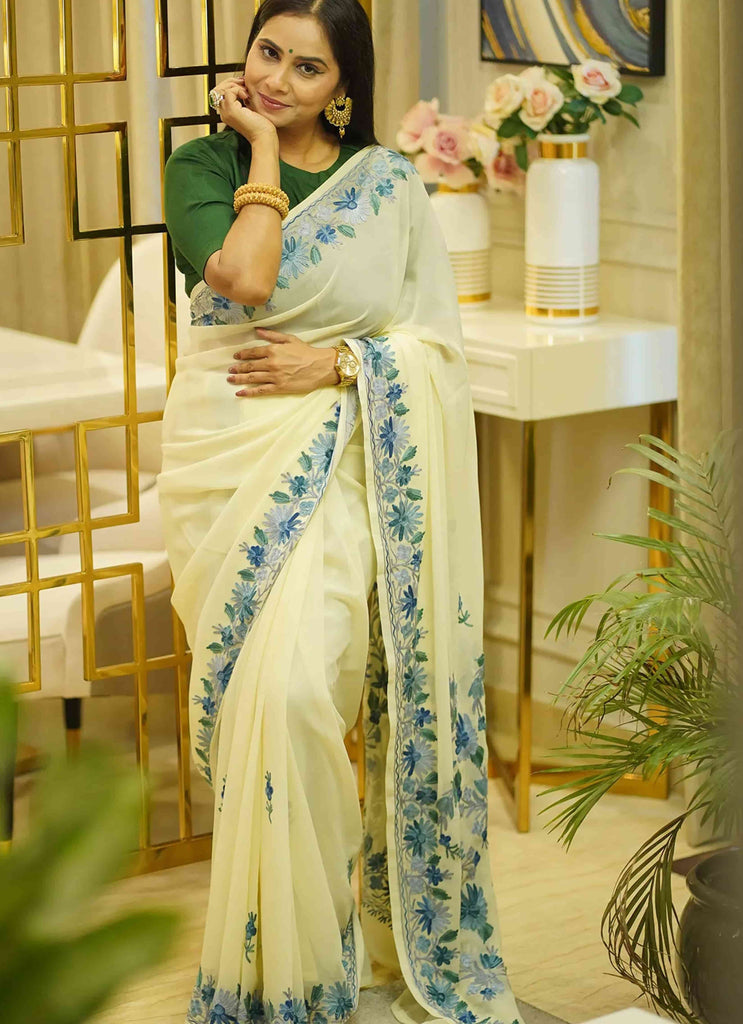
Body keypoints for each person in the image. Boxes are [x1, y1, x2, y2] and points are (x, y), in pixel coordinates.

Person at [157, 2, 524, 1023]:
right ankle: (279, 975)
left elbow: (432, 348)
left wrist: (343, 364)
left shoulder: (388, 186)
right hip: (227, 460)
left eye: (306, 68)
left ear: (343, 88)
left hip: (344, 461)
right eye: (267, 52)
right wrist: (262, 149)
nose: (276, 78)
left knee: (300, 699)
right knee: (256, 711)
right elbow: (244, 276)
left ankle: (317, 957)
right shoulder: (201, 166)